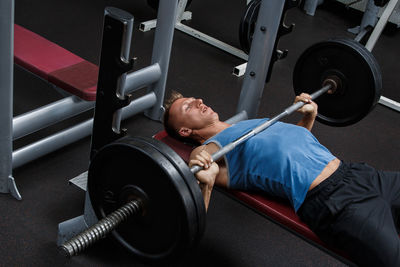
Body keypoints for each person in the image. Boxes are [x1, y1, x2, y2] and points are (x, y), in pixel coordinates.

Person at [162, 91, 400, 267]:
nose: (199, 101)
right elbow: (200, 159)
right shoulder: (216, 146)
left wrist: (309, 116)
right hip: (336, 202)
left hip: (362, 175)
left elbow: (293, 151)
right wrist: (203, 171)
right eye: (188, 107)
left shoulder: (250, 124)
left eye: (195, 99)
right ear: (184, 131)